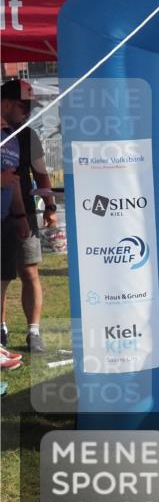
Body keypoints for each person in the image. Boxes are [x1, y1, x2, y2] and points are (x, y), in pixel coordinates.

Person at [0, 80, 56, 352]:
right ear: (7, 103)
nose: (29, 112)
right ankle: (1, 330)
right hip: (6, 213)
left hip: (24, 214)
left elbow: (41, 173)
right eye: (25, 106)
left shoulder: (28, 135)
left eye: (31, 106)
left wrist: (50, 205)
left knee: (29, 271)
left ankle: (33, 332)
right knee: (1, 276)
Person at [2, 113, 32, 361]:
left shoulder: (9, 140)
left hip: (4, 220)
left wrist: (20, 215)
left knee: (3, 280)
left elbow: (13, 181)